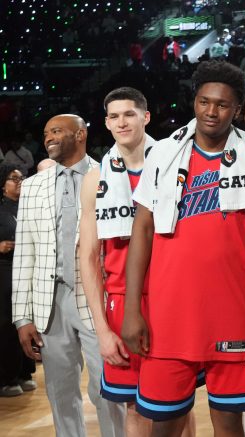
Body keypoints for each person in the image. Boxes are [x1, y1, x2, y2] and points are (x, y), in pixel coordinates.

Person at [121, 60, 245, 436]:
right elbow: (142, 231)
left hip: (233, 314)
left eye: (222, 105)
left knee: (229, 425)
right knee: (163, 426)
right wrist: (132, 310)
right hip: (168, 316)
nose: (211, 111)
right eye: (204, 102)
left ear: (237, 110)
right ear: (194, 102)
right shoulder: (163, 153)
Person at [12, 114, 126, 436]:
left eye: (57, 131)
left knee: (108, 389)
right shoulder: (32, 186)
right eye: (46, 133)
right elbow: (25, 252)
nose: (48, 138)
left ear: (80, 134)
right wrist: (22, 317)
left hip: (98, 298)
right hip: (49, 302)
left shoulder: (109, 175)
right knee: (60, 392)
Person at [78, 88, 156, 436]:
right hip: (122, 302)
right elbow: (88, 258)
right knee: (134, 407)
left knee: (177, 406)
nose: (121, 122)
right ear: (107, 123)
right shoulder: (95, 179)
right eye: (114, 116)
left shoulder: (172, 166)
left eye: (129, 114)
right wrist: (102, 332)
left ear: (145, 117)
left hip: (169, 296)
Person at [0, 163, 36, 397]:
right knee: (6, 325)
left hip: (24, 268)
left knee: (25, 319)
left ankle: (24, 372)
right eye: (14, 179)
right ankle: (6, 378)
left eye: (21, 178)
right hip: (4, 270)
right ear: (3, 185)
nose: (19, 182)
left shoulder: (28, 206)